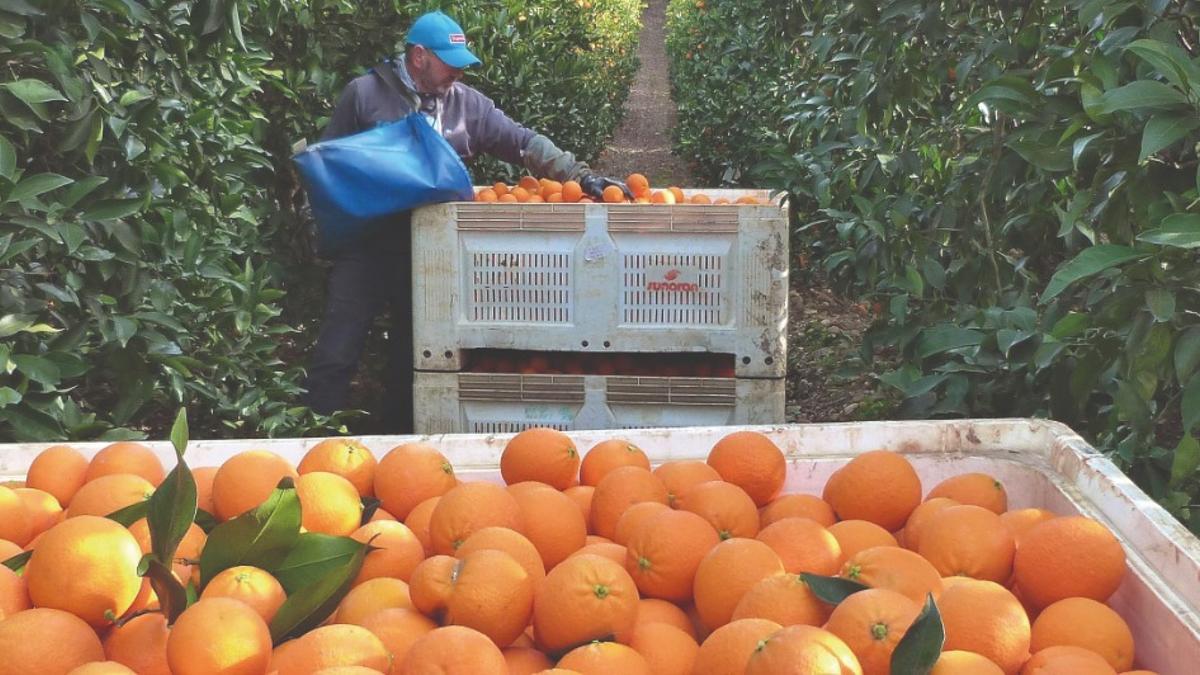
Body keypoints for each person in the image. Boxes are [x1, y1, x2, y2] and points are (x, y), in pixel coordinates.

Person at [302, 10, 630, 433]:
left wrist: (580, 175)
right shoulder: (365, 95)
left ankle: (401, 446)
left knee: (415, 353)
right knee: (337, 348)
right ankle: (310, 444)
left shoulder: (466, 105)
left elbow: (523, 142)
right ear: (419, 56)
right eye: (448, 62)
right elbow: (327, 163)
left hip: (431, 255)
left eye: (461, 64)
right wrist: (319, 224)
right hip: (366, 247)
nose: (457, 71)